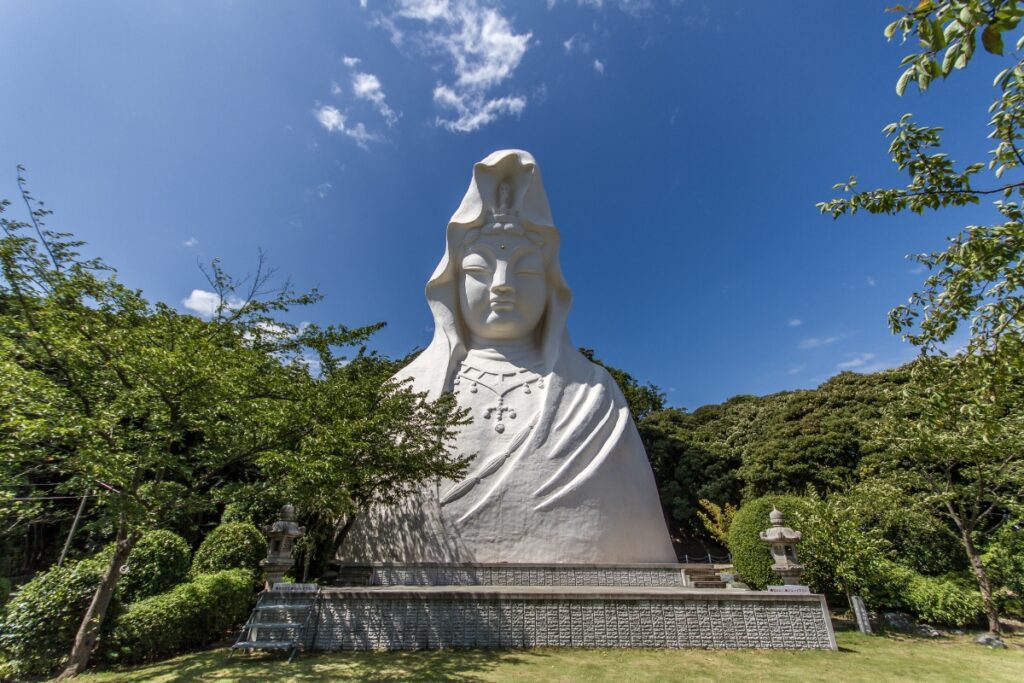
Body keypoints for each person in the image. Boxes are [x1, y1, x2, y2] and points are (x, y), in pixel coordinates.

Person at [339, 150, 676, 563]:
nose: (502, 284)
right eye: (480, 270)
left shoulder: (595, 395)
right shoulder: (404, 393)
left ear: (551, 287)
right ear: (453, 285)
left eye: (526, 270)